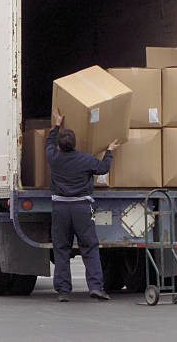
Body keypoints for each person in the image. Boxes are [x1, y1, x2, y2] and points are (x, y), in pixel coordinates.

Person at [46, 107, 120, 302]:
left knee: (61, 248)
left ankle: (63, 291)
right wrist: (109, 151)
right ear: (76, 144)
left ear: (60, 146)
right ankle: (96, 287)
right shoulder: (85, 159)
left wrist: (56, 125)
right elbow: (103, 168)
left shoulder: (54, 158)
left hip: (60, 209)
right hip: (81, 208)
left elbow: (48, 144)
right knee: (89, 247)